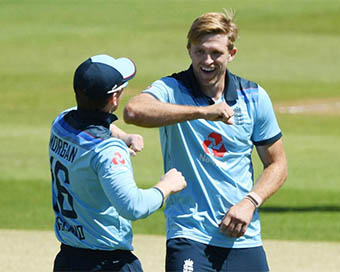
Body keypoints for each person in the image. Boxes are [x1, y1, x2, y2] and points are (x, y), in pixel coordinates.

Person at [124, 10, 288, 272]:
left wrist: (250, 202)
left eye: (216, 53)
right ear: (189, 50)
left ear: (231, 54)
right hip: (190, 235)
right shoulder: (171, 89)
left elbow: (277, 164)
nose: (207, 60)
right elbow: (133, 111)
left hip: (243, 237)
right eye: (200, 51)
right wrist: (202, 112)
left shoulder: (254, 97)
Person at [49, 54, 187, 272]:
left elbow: (94, 122)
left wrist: (124, 137)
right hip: (108, 263)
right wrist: (167, 185)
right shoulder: (107, 152)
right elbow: (133, 206)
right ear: (114, 99)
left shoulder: (61, 123)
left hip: (68, 258)